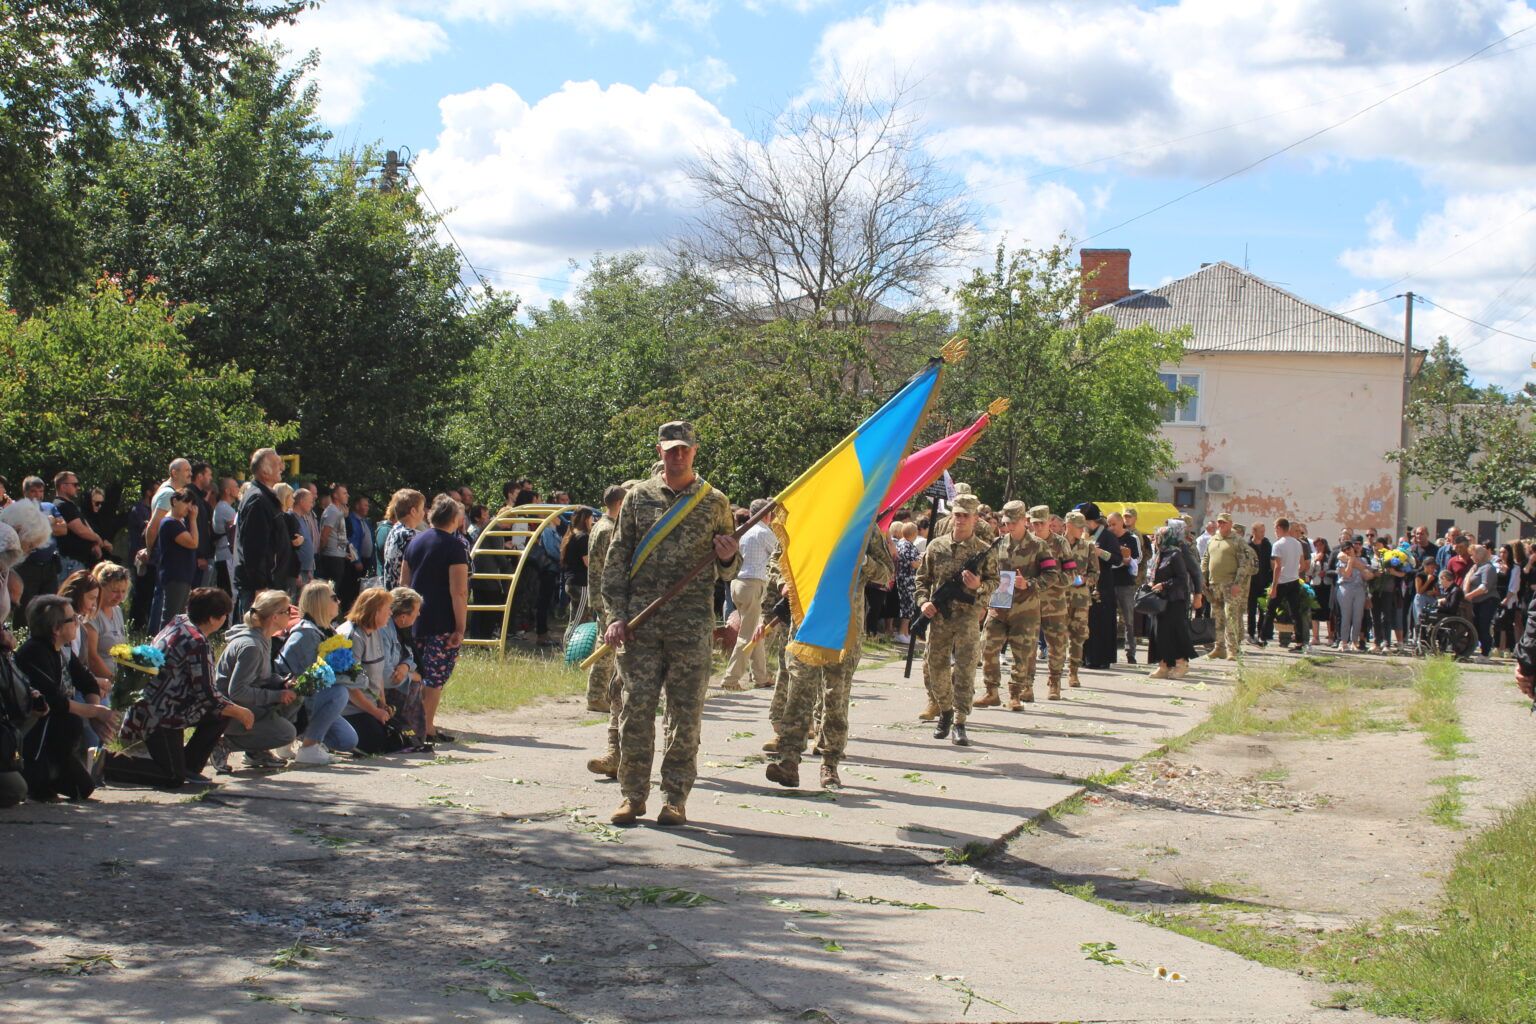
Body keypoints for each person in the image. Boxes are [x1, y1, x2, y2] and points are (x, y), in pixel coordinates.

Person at [601, 421, 740, 827]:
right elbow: (617, 560)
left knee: (685, 715)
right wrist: (615, 615)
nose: (677, 455)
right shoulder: (638, 498)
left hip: (691, 625)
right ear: (660, 451)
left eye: (684, 448)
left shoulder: (714, 502)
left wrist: (729, 556)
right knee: (636, 711)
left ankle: (675, 798)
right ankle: (632, 795)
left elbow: (729, 572)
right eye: (671, 448)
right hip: (641, 626)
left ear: (694, 451)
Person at [765, 523, 893, 787]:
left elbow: (886, 574)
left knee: (835, 696)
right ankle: (789, 760)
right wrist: (783, 584)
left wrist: (863, 561)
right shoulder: (809, 514)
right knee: (798, 690)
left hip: (844, 625)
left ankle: (830, 763)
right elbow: (779, 558)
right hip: (807, 621)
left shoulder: (864, 525)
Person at [109, 588, 252, 788]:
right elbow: (207, 694)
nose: (225, 620)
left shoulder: (180, 621)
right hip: (161, 714)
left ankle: (188, 767)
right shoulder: (197, 642)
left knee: (220, 714)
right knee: (171, 777)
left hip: (167, 704)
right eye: (223, 616)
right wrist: (240, 711)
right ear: (212, 619)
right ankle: (108, 763)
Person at [915, 493, 999, 744]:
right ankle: (945, 710)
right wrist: (924, 603)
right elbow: (922, 580)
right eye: (957, 515)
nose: (960, 520)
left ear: (975, 519)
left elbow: (995, 582)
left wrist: (979, 585)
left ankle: (960, 721)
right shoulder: (936, 546)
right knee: (936, 668)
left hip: (967, 619)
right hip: (939, 618)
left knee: (964, 670)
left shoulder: (983, 551)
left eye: (966, 516)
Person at [15, 596, 117, 800]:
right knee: (69, 721)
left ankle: (53, 773)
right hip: (34, 733)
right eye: (73, 619)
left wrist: (94, 714)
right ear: (56, 628)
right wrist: (95, 712)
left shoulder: (63, 650)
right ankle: (38, 778)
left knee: (84, 789)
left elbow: (87, 682)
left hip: (58, 734)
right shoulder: (34, 652)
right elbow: (55, 701)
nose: (78, 622)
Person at [400, 495, 470, 746]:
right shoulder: (455, 546)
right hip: (443, 619)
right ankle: (426, 728)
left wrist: (404, 619)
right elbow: (459, 590)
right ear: (455, 519)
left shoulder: (414, 541)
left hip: (415, 618)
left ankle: (414, 725)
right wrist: (460, 627)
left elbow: (403, 585)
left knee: (417, 673)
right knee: (435, 677)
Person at [214, 589, 299, 769]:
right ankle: (222, 744)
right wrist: (277, 696)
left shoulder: (263, 638)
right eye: (288, 611)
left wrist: (281, 683)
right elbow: (237, 691)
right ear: (275, 617)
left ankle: (256, 751)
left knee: (296, 695)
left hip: (244, 704)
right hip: (226, 711)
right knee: (286, 733)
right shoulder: (251, 646)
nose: (291, 614)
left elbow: (261, 677)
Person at [276, 581, 358, 765]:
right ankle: (309, 747)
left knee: (347, 741)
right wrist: (352, 679)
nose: (339, 601)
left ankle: (294, 738)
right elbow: (309, 682)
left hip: (308, 699)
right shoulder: (305, 633)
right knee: (339, 693)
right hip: (293, 703)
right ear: (320, 602)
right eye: (334, 598)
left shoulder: (327, 630)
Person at [720, 498, 776, 692]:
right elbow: (779, 553)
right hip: (752, 584)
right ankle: (730, 679)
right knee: (746, 635)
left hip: (737, 583)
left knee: (753, 631)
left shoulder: (742, 531)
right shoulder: (763, 532)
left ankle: (761, 676)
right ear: (767, 514)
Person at [337, 588, 401, 754]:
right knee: (376, 743)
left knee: (399, 738)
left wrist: (383, 705)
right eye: (387, 608)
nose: (390, 613)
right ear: (375, 610)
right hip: (351, 709)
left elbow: (377, 673)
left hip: (368, 706)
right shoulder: (352, 637)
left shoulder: (376, 632)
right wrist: (375, 712)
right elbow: (350, 686)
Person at [583, 484, 628, 722]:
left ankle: (600, 693)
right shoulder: (608, 529)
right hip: (604, 594)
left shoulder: (599, 525)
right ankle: (597, 695)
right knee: (606, 646)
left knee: (606, 642)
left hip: (599, 592)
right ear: (620, 504)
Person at [234, 449, 287, 619]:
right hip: (258, 587)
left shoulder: (265, 497)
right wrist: (260, 587)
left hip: (266, 582)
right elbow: (255, 547)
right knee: (254, 633)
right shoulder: (258, 500)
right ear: (264, 471)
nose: (282, 467)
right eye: (277, 463)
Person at [1147, 521, 1195, 679]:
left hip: (1173, 601)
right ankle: (1163, 666)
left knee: (1173, 633)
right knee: (1158, 633)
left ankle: (1181, 664)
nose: (1155, 539)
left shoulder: (1175, 554)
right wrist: (1151, 584)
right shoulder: (1159, 554)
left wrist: (1164, 585)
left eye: (1159, 536)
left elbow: (1182, 578)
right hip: (1158, 601)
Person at [1200, 513, 1249, 661]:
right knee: (1217, 617)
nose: (1221, 525)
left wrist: (1237, 584)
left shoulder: (1238, 541)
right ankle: (1219, 647)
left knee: (1231, 616)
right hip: (1214, 584)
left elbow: (1244, 564)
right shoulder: (1212, 540)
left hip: (1230, 585)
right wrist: (1203, 578)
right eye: (1219, 523)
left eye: (1224, 523)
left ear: (1230, 524)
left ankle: (1232, 649)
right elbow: (1206, 559)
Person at [153, 486, 201, 630]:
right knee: (171, 616)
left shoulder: (180, 522)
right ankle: (160, 648)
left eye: (192, 504)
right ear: (174, 501)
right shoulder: (170, 523)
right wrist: (193, 520)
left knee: (180, 617)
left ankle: (174, 646)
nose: (189, 508)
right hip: (175, 575)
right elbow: (193, 543)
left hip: (183, 574)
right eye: (186, 503)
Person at [1082, 504, 1123, 669]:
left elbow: (1117, 559)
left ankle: (1102, 658)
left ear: (1090, 521)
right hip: (1086, 584)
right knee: (1087, 621)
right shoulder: (1084, 536)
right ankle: (1086, 657)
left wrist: (1101, 553)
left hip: (1103, 584)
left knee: (1102, 622)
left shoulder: (1107, 537)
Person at [1063, 509, 1100, 686]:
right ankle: (1054, 674)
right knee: (1056, 637)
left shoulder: (1087, 546)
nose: (1082, 530)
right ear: (1068, 526)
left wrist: (1086, 579)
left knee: (1078, 636)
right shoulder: (1056, 545)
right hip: (1058, 598)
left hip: (1080, 597)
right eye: (1079, 527)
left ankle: (1073, 671)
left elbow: (1095, 572)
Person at [1260, 518, 1307, 653]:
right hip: (1294, 581)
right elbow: (1302, 565)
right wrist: (1293, 571)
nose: (1275, 531)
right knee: (1295, 613)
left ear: (1280, 528)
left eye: (1275, 528)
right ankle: (1300, 642)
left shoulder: (1278, 544)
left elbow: (1277, 567)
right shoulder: (1298, 543)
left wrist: (1274, 586)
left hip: (1281, 582)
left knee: (1270, 610)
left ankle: (1264, 638)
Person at [86, 562, 131, 698]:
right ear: (101, 588)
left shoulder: (117, 610)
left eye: (123, 591)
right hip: (100, 684)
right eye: (115, 591)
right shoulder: (92, 614)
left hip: (117, 680)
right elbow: (92, 658)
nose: (120, 597)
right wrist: (116, 682)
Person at [52, 470, 108, 576]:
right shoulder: (62, 505)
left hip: (78, 562)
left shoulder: (71, 505)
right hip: (70, 562)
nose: (78, 488)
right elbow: (80, 530)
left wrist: (94, 543)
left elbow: (85, 526)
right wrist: (97, 538)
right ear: (63, 486)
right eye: (75, 485)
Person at [318, 484, 355, 610]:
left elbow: (338, 536)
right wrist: (322, 552)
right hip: (331, 558)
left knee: (335, 590)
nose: (347, 495)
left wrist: (344, 553)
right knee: (331, 591)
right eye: (344, 493)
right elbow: (325, 535)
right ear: (335, 495)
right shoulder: (332, 511)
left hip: (337, 556)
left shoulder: (337, 511)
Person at [560, 507, 595, 636]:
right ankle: (568, 644)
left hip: (571, 582)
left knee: (580, 617)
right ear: (586, 519)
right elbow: (588, 562)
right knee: (577, 620)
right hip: (580, 584)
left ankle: (579, 647)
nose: (593, 521)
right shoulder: (583, 537)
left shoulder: (571, 534)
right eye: (591, 518)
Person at [382, 489, 426, 592]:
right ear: (413, 511)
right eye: (422, 508)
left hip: (391, 594)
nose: (424, 513)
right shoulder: (411, 536)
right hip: (405, 598)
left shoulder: (394, 530)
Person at [1333, 538, 1372, 650]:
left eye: (1349, 549)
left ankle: (1354, 641)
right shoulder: (1341, 561)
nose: (1348, 551)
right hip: (1345, 588)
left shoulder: (1363, 560)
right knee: (1346, 616)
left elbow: (1368, 575)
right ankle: (1344, 641)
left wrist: (1360, 565)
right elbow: (1347, 574)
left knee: (1358, 617)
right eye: (1345, 549)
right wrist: (1350, 561)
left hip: (1359, 589)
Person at [1462, 544, 1499, 658]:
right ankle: (1477, 649)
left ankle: (1485, 653)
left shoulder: (1488, 568)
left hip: (1488, 601)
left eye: (1473, 554)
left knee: (1484, 626)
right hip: (1476, 602)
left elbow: (1484, 587)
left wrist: (1469, 595)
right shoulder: (1475, 567)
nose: (1471, 557)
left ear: (1479, 554)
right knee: (1477, 626)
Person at [1494, 543, 1523, 657]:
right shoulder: (1496, 565)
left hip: (1509, 597)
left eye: (1504, 552)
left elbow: (1514, 586)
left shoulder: (1515, 568)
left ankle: (1508, 648)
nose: (1502, 555)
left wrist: (1507, 599)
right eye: (1500, 552)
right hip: (1496, 596)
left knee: (1507, 623)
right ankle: (1496, 646)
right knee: (1496, 622)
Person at [211, 477, 239, 593]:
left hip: (225, 556)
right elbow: (237, 530)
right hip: (226, 557)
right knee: (230, 594)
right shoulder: (225, 509)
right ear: (227, 491)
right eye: (236, 487)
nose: (238, 489)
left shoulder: (224, 507)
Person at [1246, 522, 1273, 644]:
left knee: (1263, 609)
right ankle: (1251, 634)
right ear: (1254, 532)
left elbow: (1271, 562)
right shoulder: (1248, 546)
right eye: (1261, 531)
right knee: (1251, 610)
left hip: (1265, 581)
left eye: (1264, 531)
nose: (1263, 534)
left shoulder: (1267, 544)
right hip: (1252, 582)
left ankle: (1262, 634)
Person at [1308, 538, 1334, 647]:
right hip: (1316, 585)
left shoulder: (1330, 556)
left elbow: (1333, 569)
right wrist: (1315, 561)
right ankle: (1315, 637)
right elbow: (1309, 572)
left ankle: (1331, 637)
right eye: (1317, 545)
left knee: (1328, 612)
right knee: (1315, 612)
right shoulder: (1312, 556)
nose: (1319, 547)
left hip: (1327, 586)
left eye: (1321, 545)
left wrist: (1326, 573)